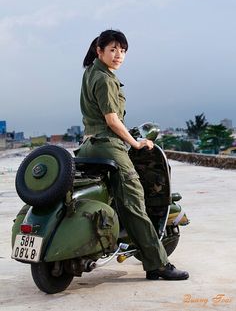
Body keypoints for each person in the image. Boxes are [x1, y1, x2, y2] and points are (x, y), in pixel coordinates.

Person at [77, 29, 189, 280]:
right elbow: (112, 120)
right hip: (108, 144)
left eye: (123, 50)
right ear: (100, 50)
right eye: (113, 49)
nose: (118, 55)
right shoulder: (105, 79)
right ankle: (157, 265)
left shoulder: (91, 73)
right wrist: (135, 144)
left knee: (117, 196)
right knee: (135, 202)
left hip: (88, 145)